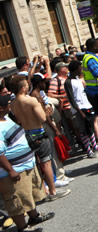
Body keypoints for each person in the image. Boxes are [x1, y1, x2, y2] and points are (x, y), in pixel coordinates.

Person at [8, 75, 70, 202]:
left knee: (35, 164)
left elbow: (18, 120)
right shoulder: (30, 100)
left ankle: (43, 190)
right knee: (46, 162)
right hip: (38, 133)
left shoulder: (13, 104)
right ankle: (52, 191)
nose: (27, 86)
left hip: (25, 134)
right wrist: (46, 112)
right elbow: (42, 118)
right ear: (23, 88)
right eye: (26, 85)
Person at [0, 94, 55, 232]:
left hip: (26, 164)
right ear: (0, 108)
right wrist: (11, 171)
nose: (10, 104)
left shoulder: (6, 118)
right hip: (13, 170)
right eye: (7, 103)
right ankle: (22, 227)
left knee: (28, 194)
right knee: (17, 199)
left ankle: (34, 216)